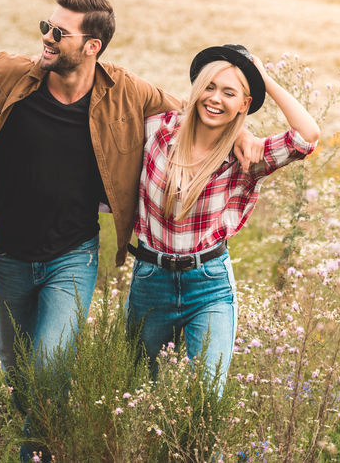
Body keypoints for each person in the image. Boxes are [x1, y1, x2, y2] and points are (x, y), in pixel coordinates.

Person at [0, 0, 263, 452]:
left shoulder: (127, 92)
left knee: (49, 364)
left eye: (60, 32)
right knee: (16, 368)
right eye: (46, 26)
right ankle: (48, 430)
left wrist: (244, 129)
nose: (47, 37)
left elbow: (193, 109)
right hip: (8, 252)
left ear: (92, 45)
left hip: (73, 253)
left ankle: (37, 450)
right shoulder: (9, 74)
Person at [126, 44, 320, 392]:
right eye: (209, 87)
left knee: (207, 397)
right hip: (150, 278)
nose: (215, 99)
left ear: (245, 104)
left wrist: (264, 79)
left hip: (209, 283)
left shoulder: (248, 157)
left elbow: (307, 136)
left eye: (229, 92)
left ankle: (197, 451)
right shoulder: (158, 129)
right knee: (141, 387)